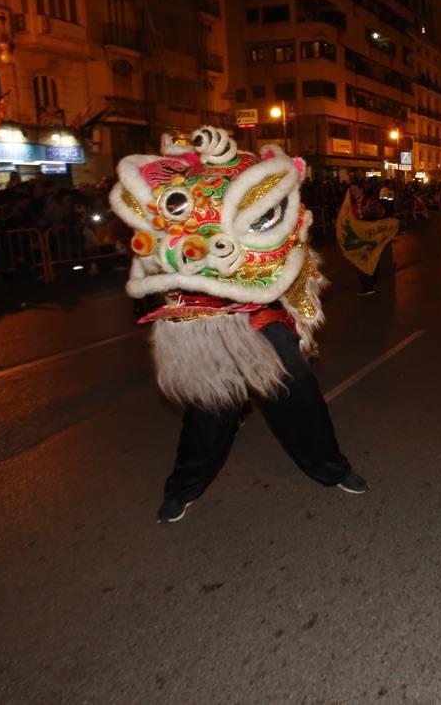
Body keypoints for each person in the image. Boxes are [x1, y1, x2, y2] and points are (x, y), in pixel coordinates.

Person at [109, 127, 367, 524]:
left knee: (298, 398)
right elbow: (152, 262)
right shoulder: (173, 208)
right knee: (210, 410)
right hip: (202, 326)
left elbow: (289, 253)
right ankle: (183, 487)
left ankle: (331, 469)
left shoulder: (252, 198)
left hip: (258, 315)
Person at [350, 182, 385, 296]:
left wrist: (367, 219)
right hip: (358, 236)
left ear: (361, 190)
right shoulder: (351, 203)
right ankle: (367, 285)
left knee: (372, 259)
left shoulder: (370, 201)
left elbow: (381, 212)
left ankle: (370, 283)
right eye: (352, 190)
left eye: (355, 190)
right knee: (360, 260)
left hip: (370, 235)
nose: (353, 193)